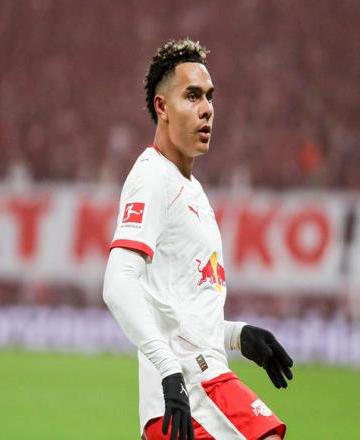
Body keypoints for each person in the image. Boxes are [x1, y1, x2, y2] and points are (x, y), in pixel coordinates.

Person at [103, 39, 293, 440]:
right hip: (193, 388)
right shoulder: (152, 177)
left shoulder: (191, 189)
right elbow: (117, 283)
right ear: (162, 107)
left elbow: (177, 313)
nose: (206, 108)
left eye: (209, 97)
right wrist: (168, 369)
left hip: (194, 388)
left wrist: (237, 335)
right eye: (192, 96)